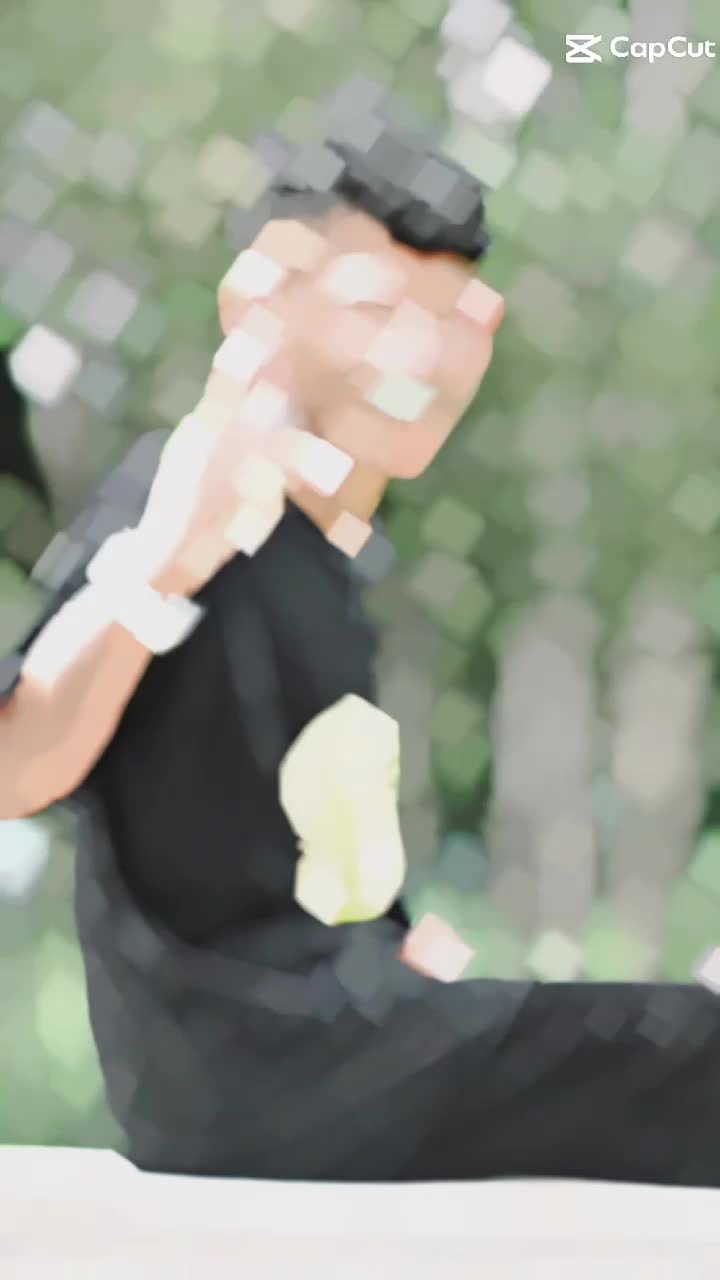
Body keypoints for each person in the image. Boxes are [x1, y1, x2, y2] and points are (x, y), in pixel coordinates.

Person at [1, 121, 719, 1189]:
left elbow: (298, 856)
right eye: (378, 311)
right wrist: (164, 562)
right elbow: (15, 766)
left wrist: (399, 947)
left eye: (452, 321)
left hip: (346, 1039)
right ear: (259, 302)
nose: (417, 360)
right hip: (255, 1070)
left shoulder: (327, 558)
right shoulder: (187, 497)